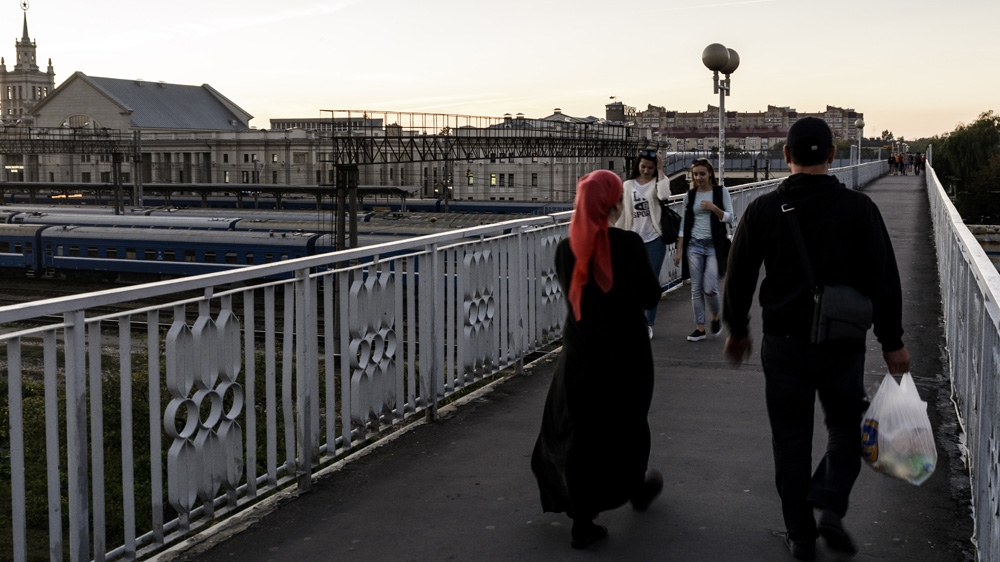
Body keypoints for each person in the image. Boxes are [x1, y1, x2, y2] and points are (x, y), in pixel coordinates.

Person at [722, 117, 911, 561]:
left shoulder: (763, 210)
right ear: (831, 155)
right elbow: (884, 278)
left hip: (782, 341)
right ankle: (828, 498)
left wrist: (738, 329)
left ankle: (800, 535)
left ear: (786, 155)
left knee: (790, 438)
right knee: (848, 424)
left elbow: (739, 274)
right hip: (841, 341)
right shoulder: (859, 209)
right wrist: (892, 341)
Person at [531, 169, 664, 550]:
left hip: (581, 354)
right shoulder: (629, 244)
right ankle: (634, 487)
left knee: (582, 431)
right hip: (627, 353)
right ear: (615, 203)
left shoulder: (565, 248)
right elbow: (650, 297)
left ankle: (583, 521)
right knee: (630, 423)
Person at [673, 158, 734, 341]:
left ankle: (715, 315)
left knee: (709, 287)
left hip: (714, 245)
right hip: (694, 245)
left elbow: (730, 218)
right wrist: (678, 250)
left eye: (702, 174)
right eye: (695, 174)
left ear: (710, 174)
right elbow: (684, 224)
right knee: (696, 289)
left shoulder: (720, 191)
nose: (699, 177)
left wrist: (714, 208)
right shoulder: (690, 195)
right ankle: (700, 328)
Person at [615, 149, 671, 339]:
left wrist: (661, 170)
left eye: (650, 168)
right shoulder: (627, 185)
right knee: (631, 282)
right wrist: (618, 236)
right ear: (638, 165)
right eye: (643, 167)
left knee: (651, 283)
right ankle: (635, 320)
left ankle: (648, 323)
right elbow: (622, 213)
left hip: (654, 240)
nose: (646, 170)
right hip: (632, 241)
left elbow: (664, 196)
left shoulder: (658, 182)